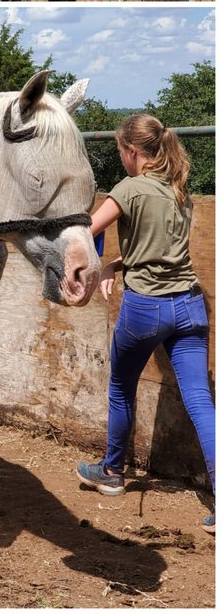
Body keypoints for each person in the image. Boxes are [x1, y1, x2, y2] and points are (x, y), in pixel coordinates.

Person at [76, 114, 214, 534]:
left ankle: (113, 472)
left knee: (121, 386)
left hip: (146, 308)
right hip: (190, 307)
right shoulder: (179, 190)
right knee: (200, 401)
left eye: (121, 152)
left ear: (132, 151)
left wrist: (101, 266)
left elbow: (85, 231)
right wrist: (116, 264)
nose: (122, 159)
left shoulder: (129, 188)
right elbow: (161, 253)